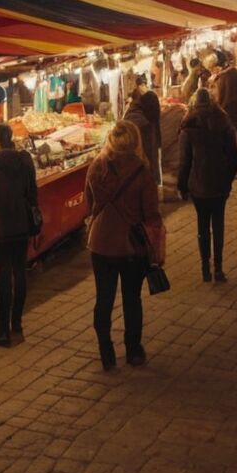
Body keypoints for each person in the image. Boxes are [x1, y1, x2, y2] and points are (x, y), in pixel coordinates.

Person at [85, 120, 164, 371]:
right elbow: (151, 213)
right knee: (132, 298)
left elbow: (89, 203)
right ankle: (133, 351)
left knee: (104, 298)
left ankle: (106, 353)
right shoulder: (142, 171)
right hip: (131, 245)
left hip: (100, 242)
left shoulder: (97, 167)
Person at [0, 123, 38, 347]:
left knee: (4, 276)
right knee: (19, 272)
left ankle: (2, 329)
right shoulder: (25, 161)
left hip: (0, 229)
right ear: (11, 137)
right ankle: (17, 325)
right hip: (22, 225)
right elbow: (33, 192)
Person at [177, 89, 237, 283]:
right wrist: (228, 178)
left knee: (202, 227)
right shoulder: (224, 123)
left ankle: (205, 268)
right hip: (219, 184)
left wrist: (182, 186)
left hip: (199, 185)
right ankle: (218, 269)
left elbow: (184, 162)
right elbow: (234, 158)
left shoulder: (188, 128)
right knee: (218, 225)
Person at [210, 51, 237, 135]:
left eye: (211, 69)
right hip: (231, 119)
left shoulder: (228, 76)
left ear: (217, 66)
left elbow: (227, 101)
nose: (211, 72)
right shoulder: (229, 73)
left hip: (230, 122)